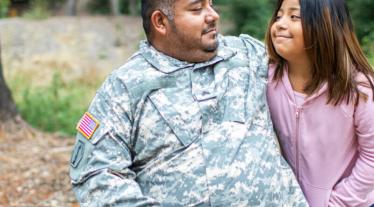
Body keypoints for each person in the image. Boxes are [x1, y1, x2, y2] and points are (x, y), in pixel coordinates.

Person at [69, 0, 308, 206]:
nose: (213, 15)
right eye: (197, 9)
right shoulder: (124, 87)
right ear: (160, 22)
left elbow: (321, 71)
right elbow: (95, 174)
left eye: (211, 4)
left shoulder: (248, 55)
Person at [265, 0, 374, 206]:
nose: (279, 24)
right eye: (278, 16)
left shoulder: (357, 89)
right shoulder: (268, 80)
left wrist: (339, 202)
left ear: (325, 25)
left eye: (294, 16)